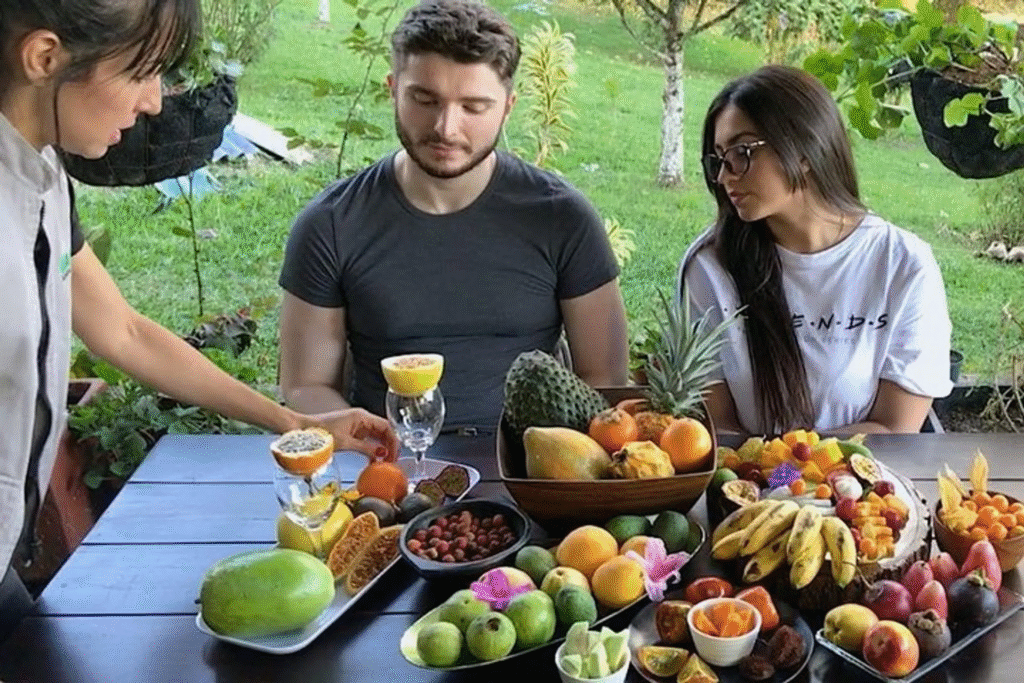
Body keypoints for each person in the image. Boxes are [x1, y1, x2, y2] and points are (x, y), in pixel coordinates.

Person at [0, 0, 397, 640]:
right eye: (141, 72)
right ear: (45, 58)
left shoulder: (41, 173)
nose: (155, 101)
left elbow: (124, 331)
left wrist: (292, 421)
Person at [278, 0, 629, 432]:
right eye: (424, 99)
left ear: (508, 107)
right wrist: (375, 444)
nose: (446, 127)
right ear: (392, 89)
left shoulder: (563, 218)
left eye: (474, 107)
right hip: (389, 472)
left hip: (534, 473)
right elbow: (305, 385)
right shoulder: (331, 224)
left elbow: (605, 381)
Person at [678, 65, 952, 436]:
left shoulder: (902, 266)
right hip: (750, 487)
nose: (725, 176)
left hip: (867, 487)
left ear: (804, 151)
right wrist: (782, 483)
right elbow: (719, 432)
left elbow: (895, 430)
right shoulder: (710, 267)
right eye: (719, 158)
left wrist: (799, 478)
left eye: (742, 152)